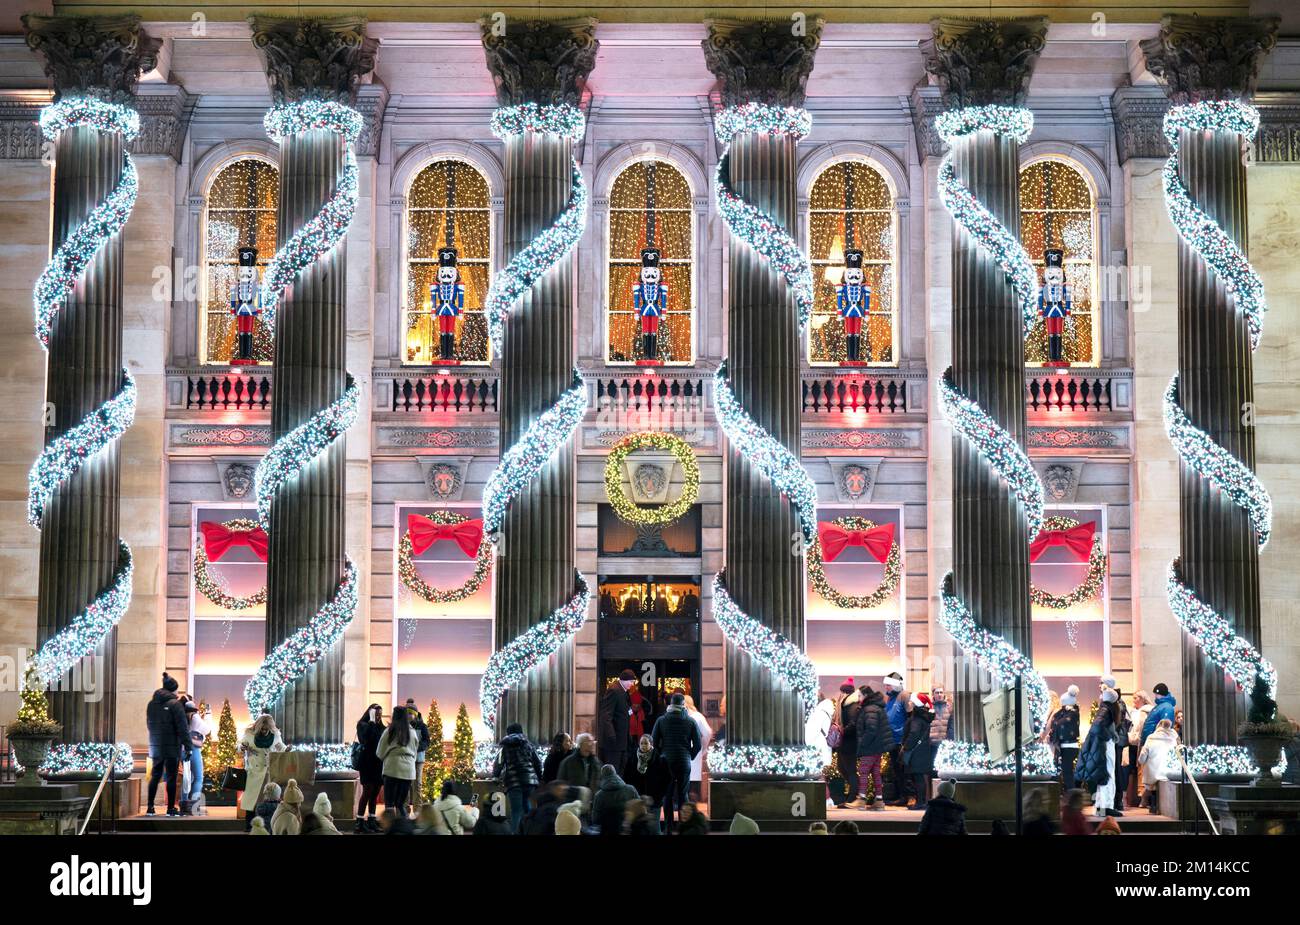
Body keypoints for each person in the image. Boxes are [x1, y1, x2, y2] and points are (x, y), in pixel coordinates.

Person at [651, 691, 702, 831]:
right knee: (683, 794)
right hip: (683, 762)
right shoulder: (690, 721)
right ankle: (683, 827)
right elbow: (697, 744)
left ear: (671, 704)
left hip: (666, 762)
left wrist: (661, 756)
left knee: (667, 796)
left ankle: (668, 828)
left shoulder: (661, 720)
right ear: (683, 704)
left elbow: (653, 743)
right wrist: (689, 755)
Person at [146, 672, 190, 816]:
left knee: (155, 775)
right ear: (173, 689)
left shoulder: (152, 704)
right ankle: (170, 808)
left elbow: (149, 725)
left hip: (156, 746)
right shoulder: (175, 704)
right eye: (177, 689)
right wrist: (188, 747)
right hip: (171, 746)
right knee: (171, 777)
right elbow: (182, 728)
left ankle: (150, 808)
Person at [847, 685, 892, 810]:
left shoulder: (869, 709)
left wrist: (863, 743)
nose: (859, 698)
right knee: (875, 772)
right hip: (877, 747)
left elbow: (871, 729)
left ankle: (861, 799)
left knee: (863, 771)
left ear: (866, 695)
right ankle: (879, 800)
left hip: (870, 747)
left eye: (860, 695)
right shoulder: (877, 707)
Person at [1077, 687, 1120, 817]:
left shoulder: (1103, 709)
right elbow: (1099, 726)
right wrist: (1109, 736)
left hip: (1102, 745)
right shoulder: (1107, 710)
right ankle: (1106, 807)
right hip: (1105, 746)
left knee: (1104, 777)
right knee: (1107, 775)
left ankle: (1101, 809)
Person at [492, 722, 542, 833]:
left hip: (513, 783)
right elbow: (538, 762)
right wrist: (538, 777)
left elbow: (499, 763)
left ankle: (515, 832)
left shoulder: (505, 747)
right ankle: (530, 830)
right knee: (527, 806)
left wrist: (495, 775)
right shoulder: (529, 745)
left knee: (516, 811)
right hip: (529, 782)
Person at [239, 713, 285, 831]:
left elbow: (281, 748)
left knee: (266, 800)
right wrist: (242, 748)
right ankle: (249, 826)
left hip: (268, 771)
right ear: (258, 727)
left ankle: (266, 826)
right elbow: (239, 746)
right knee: (251, 801)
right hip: (253, 771)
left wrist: (287, 749)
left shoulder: (275, 735)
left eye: (267, 729)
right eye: (262, 728)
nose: (264, 731)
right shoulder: (249, 734)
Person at [376, 705, 420, 816]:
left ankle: (390, 829)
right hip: (408, 771)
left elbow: (379, 752)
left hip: (392, 768)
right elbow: (415, 751)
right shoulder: (412, 732)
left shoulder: (389, 731)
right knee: (400, 804)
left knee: (389, 805)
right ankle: (403, 827)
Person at [626, 734, 670, 828]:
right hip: (638, 800)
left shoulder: (660, 759)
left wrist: (659, 796)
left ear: (651, 744)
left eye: (646, 743)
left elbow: (667, 779)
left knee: (654, 829)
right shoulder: (632, 758)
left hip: (654, 800)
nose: (643, 745)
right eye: (641, 743)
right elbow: (627, 778)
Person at [598, 669, 637, 775]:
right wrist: (612, 736)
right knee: (614, 772)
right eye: (631, 681)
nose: (632, 684)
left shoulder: (623, 691)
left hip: (621, 742)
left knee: (620, 771)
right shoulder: (614, 690)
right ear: (624, 680)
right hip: (614, 743)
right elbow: (606, 716)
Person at [1138, 718, 1179, 814]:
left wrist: (1141, 761)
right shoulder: (1173, 739)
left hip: (1153, 771)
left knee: (1153, 788)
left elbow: (1143, 755)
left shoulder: (1151, 738)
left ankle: (1154, 806)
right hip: (1167, 771)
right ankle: (1160, 807)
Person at [901, 692, 935, 809]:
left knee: (918, 777)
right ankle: (921, 801)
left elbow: (914, 733)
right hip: (922, 750)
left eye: (912, 701)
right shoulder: (924, 716)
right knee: (919, 777)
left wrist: (906, 746)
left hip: (916, 752)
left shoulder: (917, 717)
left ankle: (920, 802)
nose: (910, 703)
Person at [354, 704, 385, 833]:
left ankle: (372, 820)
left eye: (380, 714)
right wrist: (371, 722)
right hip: (366, 763)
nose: (378, 717)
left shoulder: (381, 727)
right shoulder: (362, 725)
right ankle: (359, 822)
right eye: (376, 714)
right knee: (367, 790)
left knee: (375, 792)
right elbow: (366, 739)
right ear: (370, 713)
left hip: (378, 763)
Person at [882, 672, 911, 804]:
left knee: (904, 771)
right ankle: (902, 796)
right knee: (897, 771)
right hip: (892, 740)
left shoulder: (904, 696)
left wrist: (906, 739)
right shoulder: (890, 698)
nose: (886, 687)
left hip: (901, 741)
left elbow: (910, 716)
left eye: (888, 685)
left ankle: (909, 796)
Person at [180, 698, 211, 816]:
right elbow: (207, 730)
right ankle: (194, 806)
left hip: (182, 750)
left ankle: (184, 804)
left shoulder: (181, 717)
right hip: (194, 749)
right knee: (198, 778)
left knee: (188, 777)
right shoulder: (194, 717)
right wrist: (208, 716)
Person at [1049, 686, 1082, 792]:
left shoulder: (1071, 714)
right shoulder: (1068, 713)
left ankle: (1072, 795)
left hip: (1068, 747)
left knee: (1067, 772)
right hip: (1065, 746)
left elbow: (1059, 724)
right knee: (1066, 771)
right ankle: (1069, 794)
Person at [592, 763, 639, 836]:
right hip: (629, 830)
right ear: (615, 773)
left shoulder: (599, 795)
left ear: (602, 776)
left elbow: (596, 819)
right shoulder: (631, 789)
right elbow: (639, 809)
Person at [835, 679, 862, 801]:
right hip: (845, 742)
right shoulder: (847, 704)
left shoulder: (852, 705)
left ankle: (853, 796)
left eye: (841, 691)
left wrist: (842, 731)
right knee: (841, 767)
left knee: (850, 769)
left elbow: (853, 724)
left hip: (849, 742)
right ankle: (855, 791)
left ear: (845, 692)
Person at [682, 693, 712, 800]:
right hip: (693, 751)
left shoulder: (693, 716)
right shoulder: (698, 717)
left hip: (686, 751)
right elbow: (708, 733)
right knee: (692, 779)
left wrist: (702, 747)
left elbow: (708, 733)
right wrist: (702, 747)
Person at [404, 698, 430, 812]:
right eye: (407, 713)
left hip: (418, 759)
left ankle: (417, 810)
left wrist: (415, 748)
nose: (409, 716)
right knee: (405, 784)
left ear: (415, 714)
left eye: (411, 713)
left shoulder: (422, 726)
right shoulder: (403, 726)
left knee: (417, 785)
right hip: (406, 759)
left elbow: (426, 741)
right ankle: (405, 809)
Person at [558, 731, 600, 797]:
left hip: (592, 800)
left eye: (592, 741)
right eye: (589, 741)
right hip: (574, 799)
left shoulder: (595, 761)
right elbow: (561, 783)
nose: (592, 743)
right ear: (581, 744)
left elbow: (599, 780)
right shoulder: (568, 762)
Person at [805, 689, 835, 771]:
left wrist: (806, 745)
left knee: (818, 776)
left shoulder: (818, 712)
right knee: (822, 776)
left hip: (817, 747)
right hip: (823, 746)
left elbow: (812, 732)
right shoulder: (826, 711)